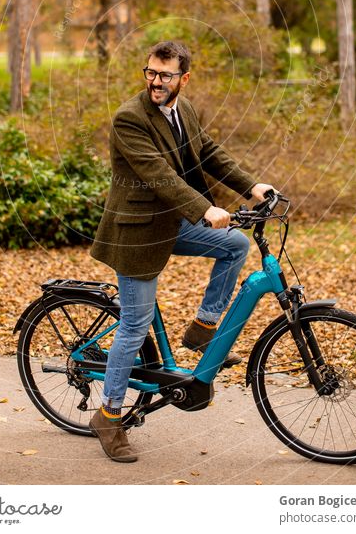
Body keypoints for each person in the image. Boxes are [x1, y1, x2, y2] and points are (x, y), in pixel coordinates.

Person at [89, 40, 276, 462]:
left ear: (183, 79)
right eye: (150, 73)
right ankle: (108, 416)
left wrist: (251, 186)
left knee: (235, 244)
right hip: (137, 233)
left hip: (171, 224)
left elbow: (209, 152)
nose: (155, 82)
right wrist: (204, 208)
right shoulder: (129, 118)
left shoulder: (183, 110)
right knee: (135, 327)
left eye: (165, 75)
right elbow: (158, 175)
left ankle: (204, 327)